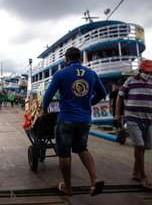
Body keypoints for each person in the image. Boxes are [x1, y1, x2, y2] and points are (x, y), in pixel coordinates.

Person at [42, 47, 107, 196]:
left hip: (66, 119)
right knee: (82, 149)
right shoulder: (91, 73)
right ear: (81, 59)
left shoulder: (61, 74)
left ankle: (68, 187)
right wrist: (89, 103)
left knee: (64, 154)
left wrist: (44, 110)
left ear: (66, 59)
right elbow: (103, 93)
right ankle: (94, 179)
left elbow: (48, 96)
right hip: (84, 120)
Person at [115, 59, 152, 190]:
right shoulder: (130, 81)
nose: (150, 74)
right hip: (132, 118)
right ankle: (144, 177)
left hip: (148, 120)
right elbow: (120, 97)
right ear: (141, 70)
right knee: (139, 145)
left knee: (143, 148)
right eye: (148, 72)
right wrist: (117, 115)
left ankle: (135, 172)